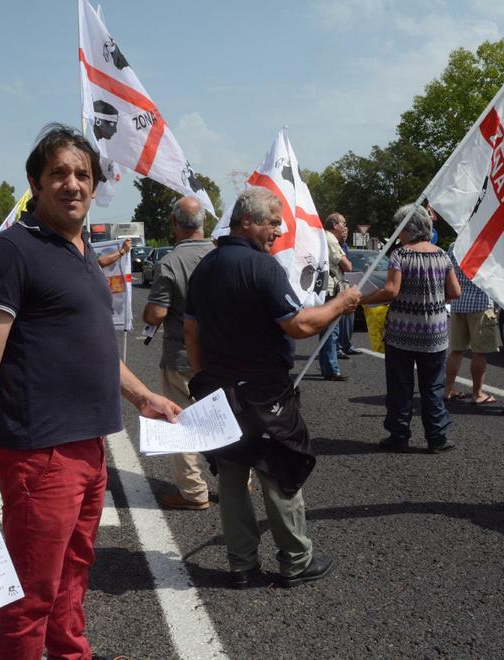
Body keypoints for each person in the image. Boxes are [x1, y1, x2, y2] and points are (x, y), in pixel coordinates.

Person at [0, 124, 181, 658]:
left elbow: (90, 346)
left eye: (82, 174)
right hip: (40, 453)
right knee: (28, 600)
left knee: (72, 580)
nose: (72, 184)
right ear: (35, 182)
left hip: (88, 448)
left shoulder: (81, 249)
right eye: (59, 174)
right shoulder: (13, 251)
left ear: (94, 187)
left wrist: (144, 398)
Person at [184, 187, 361, 588]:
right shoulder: (262, 267)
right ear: (246, 221)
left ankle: (241, 565)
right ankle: (295, 561)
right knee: (279, 473)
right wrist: (341, 304)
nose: (279, 232)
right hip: (263, 394)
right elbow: (297, 325)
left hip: (218, 391)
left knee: (231, 480)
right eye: (272, 222)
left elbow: (190, 329)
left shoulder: (206, 267)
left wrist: (203, 379)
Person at [359, 204, 461, 453]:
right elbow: (455, 292)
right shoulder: (441, 255)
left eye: (399, 227)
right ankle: (437, 438)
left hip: (403, 332)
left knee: (400, 387)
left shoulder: (401, 255)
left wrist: (361, 298)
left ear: (409, 228)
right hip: (435, 332)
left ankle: (399, 436)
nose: (396, 231)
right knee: (433, 387)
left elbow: (391, 290)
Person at [142, 196, 215, 511]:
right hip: (221, 355)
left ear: (175, 224)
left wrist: (147, 312)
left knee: (180, 421)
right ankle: (240, 478)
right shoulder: (221, 255)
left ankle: (193, 492)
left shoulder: (169, 262)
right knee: (224, 417)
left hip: (182, 355)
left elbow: (156, 314)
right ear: (204, 223)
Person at [444, 246, 500, 404]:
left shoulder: (455, 245)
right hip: (480, 304)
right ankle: (477, 393)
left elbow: (446, 270)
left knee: (456, 351)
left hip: (458, 303)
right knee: (479, 353)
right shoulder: (489, 245)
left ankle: (448, 390)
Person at [319, 212, 353, 381]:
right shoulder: (330, 239)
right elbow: (347, 265)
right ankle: (331, 369)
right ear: (334, 225)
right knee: (331, 331)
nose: (345, 227)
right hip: (331, 290)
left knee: (329, 331)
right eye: (343, 223)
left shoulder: (329, 239)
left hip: (328, 289)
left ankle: (328, 366)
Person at [335, 216, 360, 358]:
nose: (345, 232)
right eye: (342, 229)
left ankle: (346, 344)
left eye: (346, 230)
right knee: (339, 318)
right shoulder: (333, 244)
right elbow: (345, 265)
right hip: (337, 285)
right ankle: (337, 347)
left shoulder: (344, 245)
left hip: (346, 282)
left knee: (349, 316)